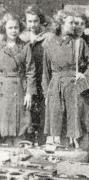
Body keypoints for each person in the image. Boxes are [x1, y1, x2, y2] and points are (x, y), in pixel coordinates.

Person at [42, 10, 89, 151]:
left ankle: (82, 158)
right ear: (60, 24)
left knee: (78, 124)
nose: (74, 25)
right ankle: (64, 160)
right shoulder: (48, 44)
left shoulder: (79, 43)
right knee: (60, 126)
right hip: (56, 89)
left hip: (75, 88)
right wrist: (46, 94)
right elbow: (46, 72)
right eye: (70, 22)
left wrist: (85, 74)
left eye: (75, 22)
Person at [0, 13, 36, 146]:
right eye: (10, 28)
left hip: (19, 89)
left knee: (20, 127)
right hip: (2, 89)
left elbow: (31, 71)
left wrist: (29, 93)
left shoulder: (25, 47)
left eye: (16, 27)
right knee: (3, 127)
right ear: (4, 28)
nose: (13, 31)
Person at [20, 4, 53, 144]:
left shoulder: (49, 38)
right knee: (27, 116)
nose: (32, 24)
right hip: (26, 82)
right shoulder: (22, 38)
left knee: (42, 117)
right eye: (29, 21)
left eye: (35, 21)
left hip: (43, 80)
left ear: (40, 21)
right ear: (25, 22)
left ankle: (41, 144)